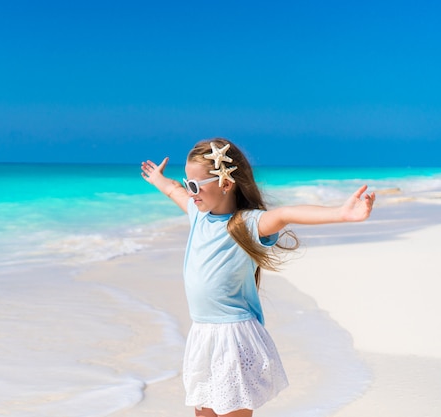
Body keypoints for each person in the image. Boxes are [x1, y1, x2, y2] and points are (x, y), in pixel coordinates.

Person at [140, 138, 375, 417]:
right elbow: (173, 190)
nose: (190, 192)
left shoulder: (247, 224)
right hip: (203, 334)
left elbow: (286, 214)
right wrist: (158, 179)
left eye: (195, 185)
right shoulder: (198, 215)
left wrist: (340, 214)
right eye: (188, 183)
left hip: (233, 337)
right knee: (204, 411)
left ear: (226, 184)